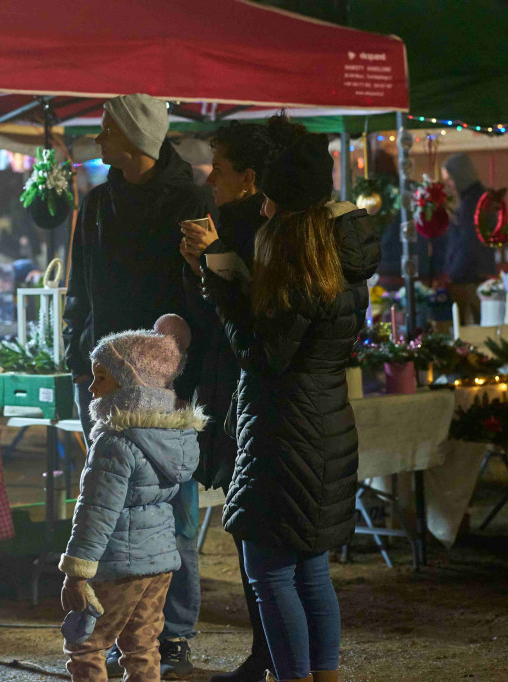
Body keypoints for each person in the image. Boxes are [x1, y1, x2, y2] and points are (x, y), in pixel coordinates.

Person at [190, 132, 380, 682]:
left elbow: (263, 354)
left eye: (270, 199)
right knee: (310, 569)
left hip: (283, 427)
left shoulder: (298, 261)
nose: (263, 209)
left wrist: (222, 282)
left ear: (289, 206)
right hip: (322, 420)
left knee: (269, 571)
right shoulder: (339, 258)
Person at [62, 93, 212, 679]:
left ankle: (171, 630)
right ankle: (116, 622)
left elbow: (198, 291)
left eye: (105, 129)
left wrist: (180, 374)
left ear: (134, 139)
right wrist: (79, 353)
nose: (97, 139)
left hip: (162, 381)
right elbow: (80, 286)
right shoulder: (98, 203)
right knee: (106, 498)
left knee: (170, 505)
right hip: (100, 373)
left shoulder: (189, 200)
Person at [180, 118, 301, 682]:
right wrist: (199, 269)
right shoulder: (229, 223)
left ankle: (270, 657)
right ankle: (269, 655)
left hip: (251, 389)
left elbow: (255, 316)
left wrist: (214, 263)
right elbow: (213, 316)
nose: (209, 177)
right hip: (230, 386)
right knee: (247, 523)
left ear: (249, 178)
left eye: (219, 167)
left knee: (260, 532)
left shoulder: (267, 229)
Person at [60, 314, 205, 681]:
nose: (92, 388)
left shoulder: (115, 442)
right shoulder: (175, 439)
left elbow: (96, 513)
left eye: (101, 377)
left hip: (118, 567)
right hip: (160, 563)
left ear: (129, 382)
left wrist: (77, 574)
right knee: (142, 646)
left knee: (87, 646)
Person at [440, 153, 494, 323]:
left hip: (468, 275)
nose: (448, 184)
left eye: (450, 178)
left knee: (467, 324)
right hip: (473, 271)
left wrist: (454, 272)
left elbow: (468, 242)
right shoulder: (475, 198)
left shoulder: (471, 202)